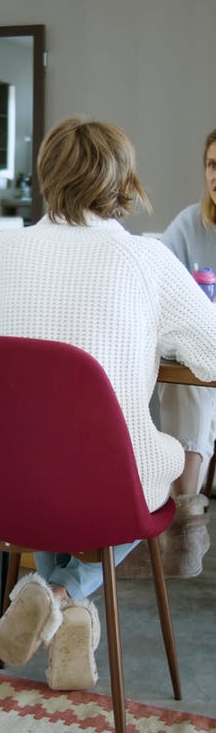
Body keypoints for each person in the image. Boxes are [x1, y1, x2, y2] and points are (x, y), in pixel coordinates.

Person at [0, 116, 216, 691]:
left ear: (49, 174)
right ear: (122, 180)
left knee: (52, 475)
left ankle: (58, 605)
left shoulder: (1, 250)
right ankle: (62, 594)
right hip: (101, 485)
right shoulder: (144, 260)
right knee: (136, 472)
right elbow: (214, 355)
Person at [156, 128, 216, 577]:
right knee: (190, 375)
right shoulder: (190, 223)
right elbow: (158, 285)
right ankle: (186, 512)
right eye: (212, 165)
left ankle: (183, 515)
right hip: (204, 353)